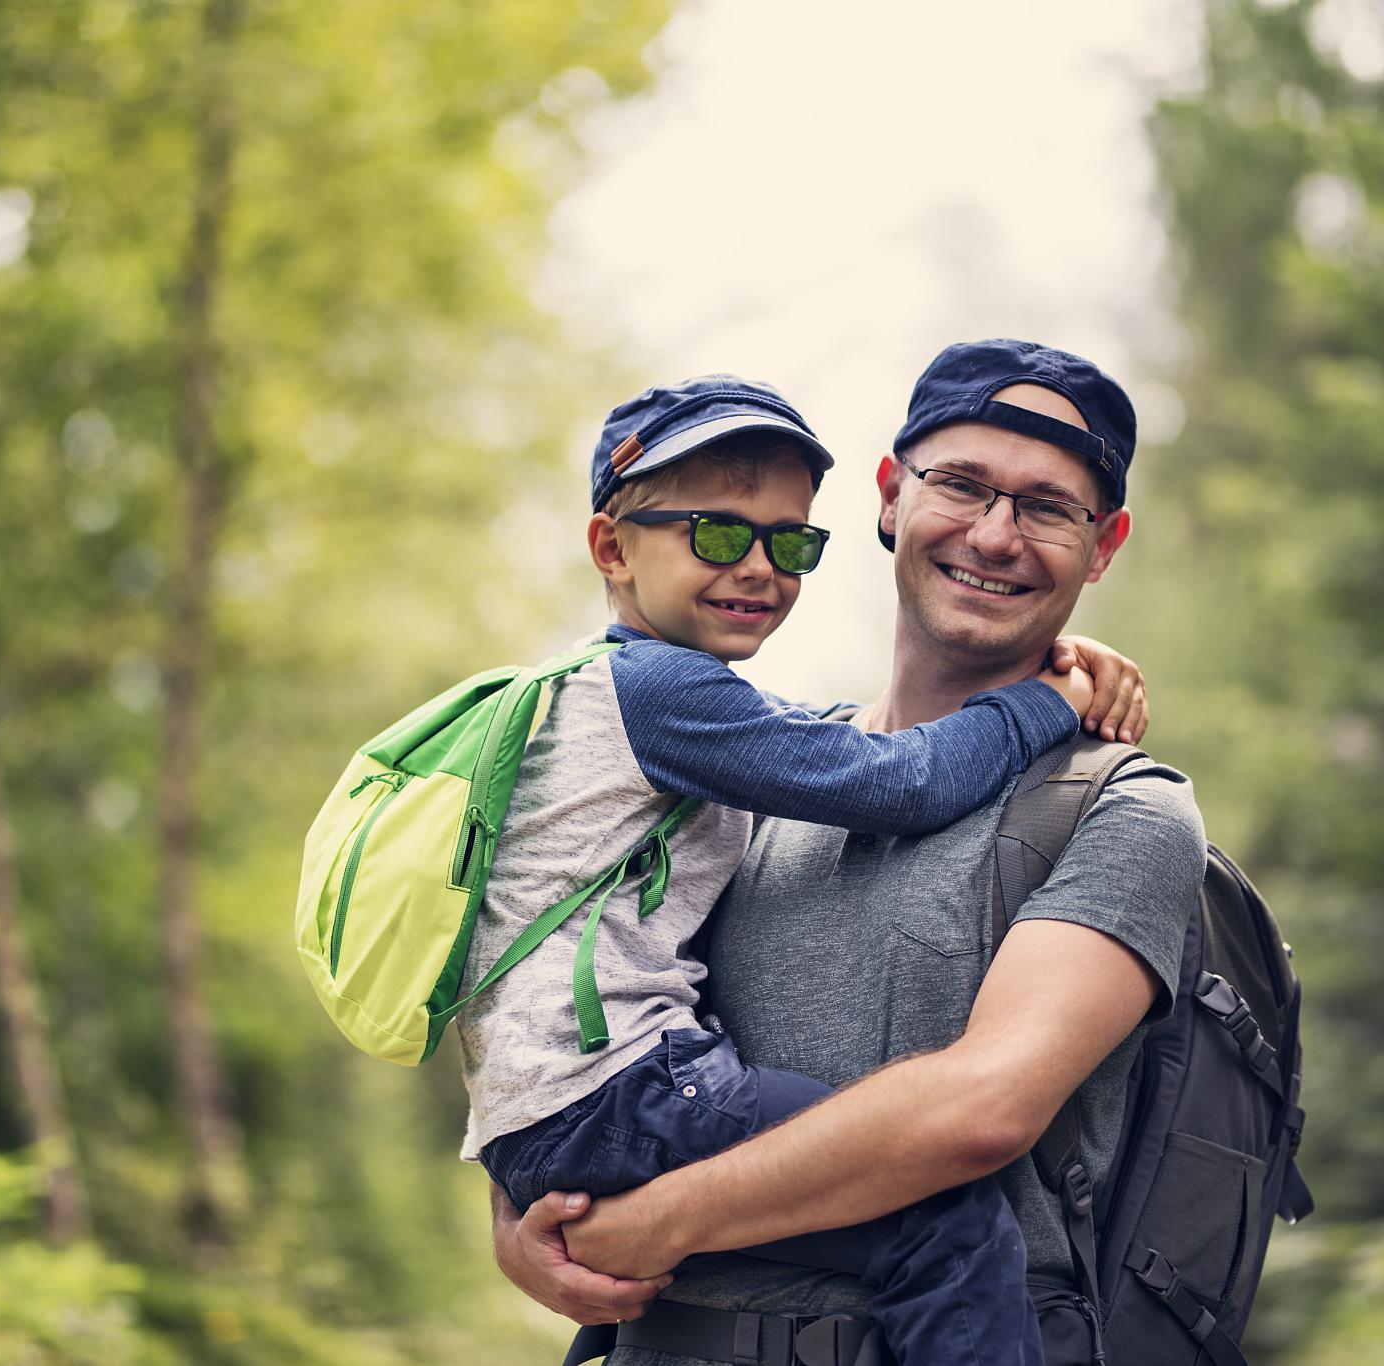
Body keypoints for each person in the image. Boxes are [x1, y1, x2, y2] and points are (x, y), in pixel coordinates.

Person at [491, 340, 1207, 1366]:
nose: (995, 535)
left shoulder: (1120, 808)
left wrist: (652, 1223)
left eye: (1048, 507)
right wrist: (520, 1217)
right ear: (887, 497)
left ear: (1102, 547)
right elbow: (572, 987)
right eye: (960, 485)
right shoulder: (747, 783)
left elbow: (979, 1109)